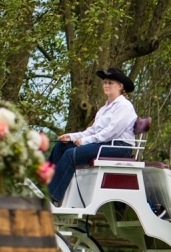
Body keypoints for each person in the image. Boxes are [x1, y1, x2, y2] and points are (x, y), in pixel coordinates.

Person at [47, 67, 138, 204]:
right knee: (61, 146)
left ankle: (52, 196)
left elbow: (110, 133)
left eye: (110, 83)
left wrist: (85, 141)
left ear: (120, 86)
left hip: (119, 147)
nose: (106, 85)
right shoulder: (103, 109)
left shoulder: (124, 106)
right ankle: (44, 185)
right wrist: (71, 137)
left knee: (71, 154)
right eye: (105, 82)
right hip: (105, 144)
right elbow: (92, 131)